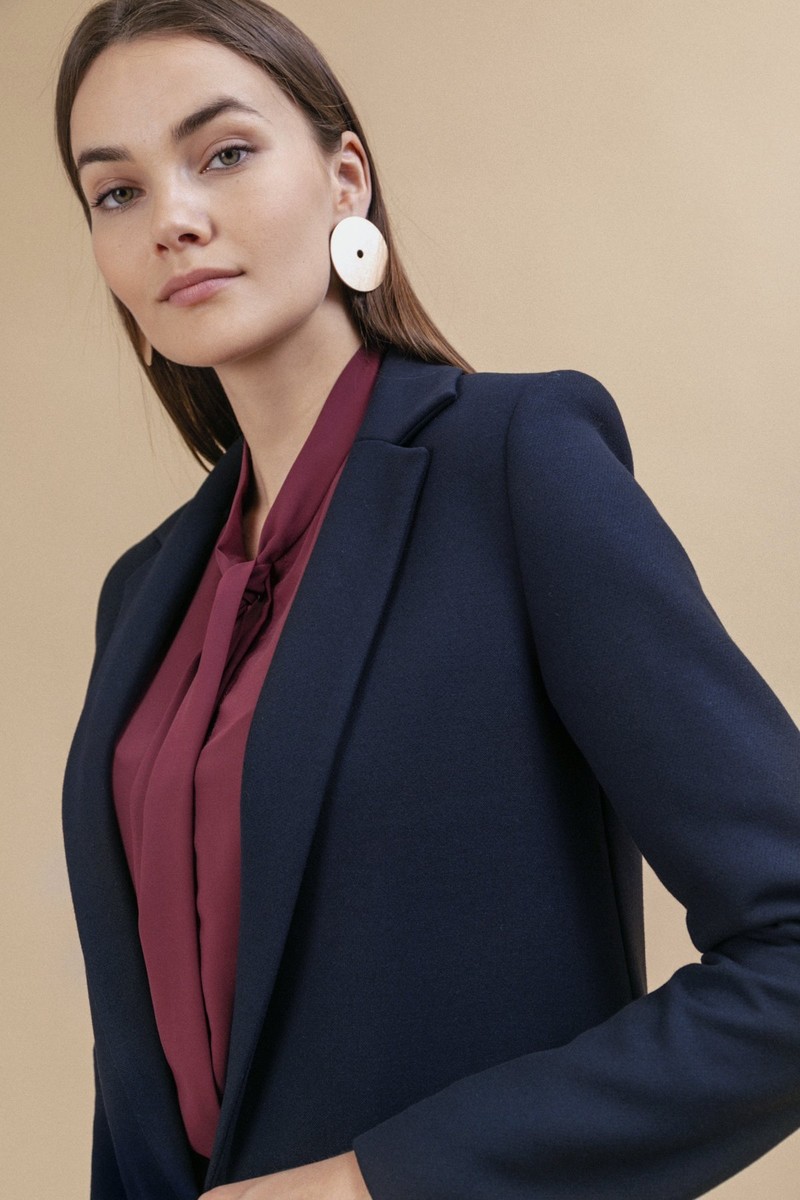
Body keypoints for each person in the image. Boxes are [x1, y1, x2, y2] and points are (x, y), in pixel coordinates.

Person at [57, 1, 800, 1198]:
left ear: (344, 179)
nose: (172, 219)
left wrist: (373, 1184)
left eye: (224, 153)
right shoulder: (142, 595)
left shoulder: (514, 465)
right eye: (117, 191)